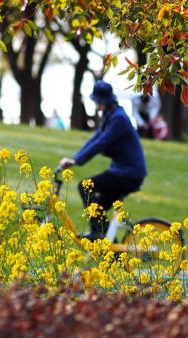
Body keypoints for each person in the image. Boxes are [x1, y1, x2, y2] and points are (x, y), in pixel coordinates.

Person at [59, 81, 147, 240]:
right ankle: (109, 246)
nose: (97, 104)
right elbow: (96, 138)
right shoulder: (111, 114)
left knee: (85, 187)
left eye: (97, 101)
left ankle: (98, 234)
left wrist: (76, 162)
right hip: (122, 171)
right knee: (97, 208)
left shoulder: (118, 118)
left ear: (103, 101)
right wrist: (75, 159)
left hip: (128, 173)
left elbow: (101, 143)